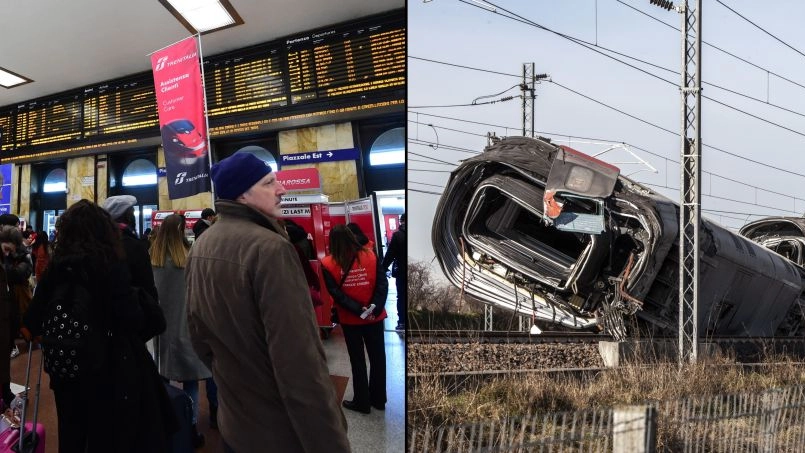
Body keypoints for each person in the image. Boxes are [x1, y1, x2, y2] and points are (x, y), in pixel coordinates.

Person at [185, 153, 349, 453]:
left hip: (235, 424)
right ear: (243, 194)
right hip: (280, 433)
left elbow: (198, 335)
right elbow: (299, 364)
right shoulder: (270, 249)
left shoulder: (202, 245)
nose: (281, 189)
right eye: (269, 182)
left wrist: (235, 377)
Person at [23, 199, 177, 452]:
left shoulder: (57, 269)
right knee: (104, 436)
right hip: (105, 370)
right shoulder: (109, 266)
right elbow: (134, 319)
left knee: (70, 433)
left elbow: (30, 322)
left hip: (65, 371)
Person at [150, 213, 218, 447]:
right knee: (191, 381)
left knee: (162, 379)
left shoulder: (152, 260)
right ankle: (189, 427)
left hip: (160, 331)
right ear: (181, 232)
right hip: (186, 327)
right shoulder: (188, 260)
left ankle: (165, 424)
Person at [321, 225, 388, 414]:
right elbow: (382, 285)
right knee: (378, 358)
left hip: (351, 320)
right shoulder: (371, 256)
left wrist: (359, 310)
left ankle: (362, 402)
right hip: (374, 318)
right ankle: (379, 399)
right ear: (352, 237)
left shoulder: (328, 263)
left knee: (357, 360)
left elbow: (336, 294)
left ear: (331, 242)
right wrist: (375, 307)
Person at [102, 195, 158, 302]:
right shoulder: (135, 246)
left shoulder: (99, 243)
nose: (133, 216)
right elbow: (147, 288)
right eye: (132, 212)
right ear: (127, 215)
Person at [1, 225, 32, 360]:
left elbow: (20, 273)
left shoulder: (23, 255)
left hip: (16, 296)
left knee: (15, 319)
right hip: (7, 296)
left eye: (9, 250)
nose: (6, 253)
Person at [382, 213, 407, 330]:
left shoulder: (397, 236)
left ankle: (402, 322)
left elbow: (390, 254)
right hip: (415, 272)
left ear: (402, 221)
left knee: (401, 297)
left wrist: (383, 267)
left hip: (401, 271)